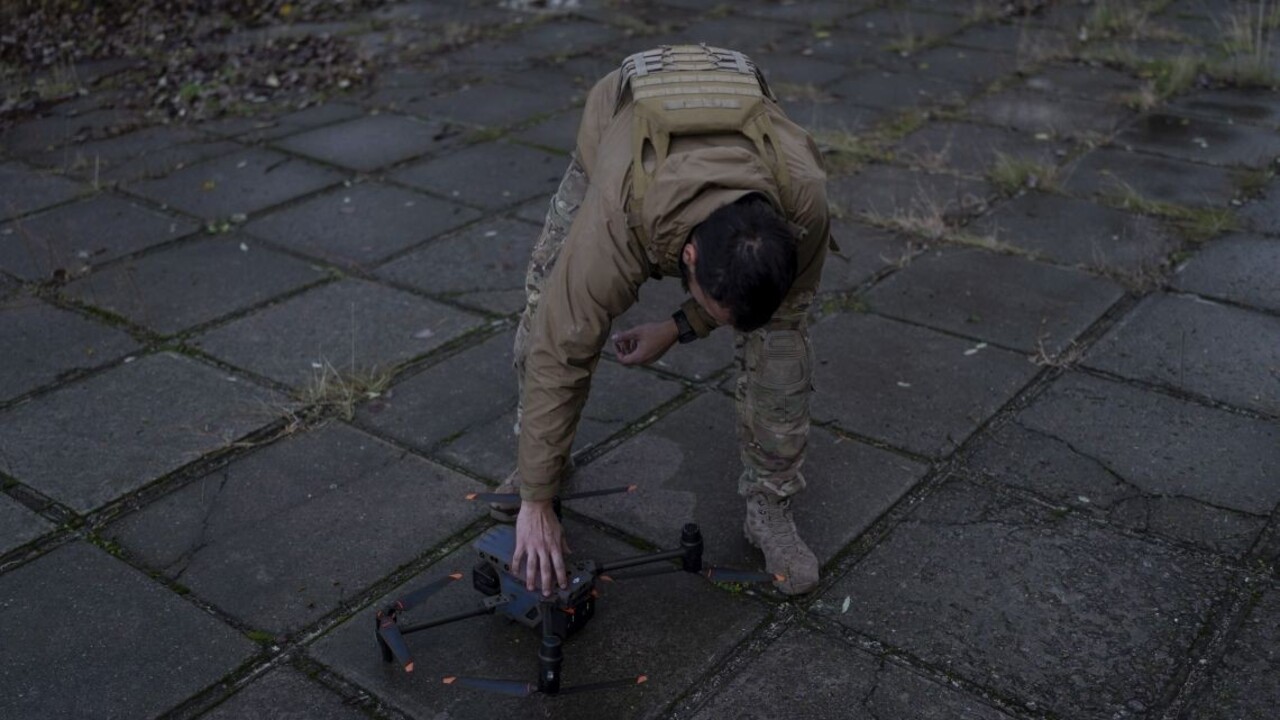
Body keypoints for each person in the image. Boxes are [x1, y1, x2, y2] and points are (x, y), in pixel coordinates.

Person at [495, 44, 831, 597]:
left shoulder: (804, 201)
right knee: (545, 315)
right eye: (720, 312)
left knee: (782, 353)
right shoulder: (614, 218)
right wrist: (535, 498)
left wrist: (678, 326)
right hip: (623, 123)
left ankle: (768, 508)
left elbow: (773, 318)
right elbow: (563, 348)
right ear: (689, 259)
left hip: (736, 115)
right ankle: (540, 469)